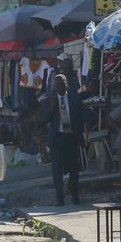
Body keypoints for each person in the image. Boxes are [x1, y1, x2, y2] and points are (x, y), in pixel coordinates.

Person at [42, 74, 84, 205]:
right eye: (56, 84)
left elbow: (79, 118)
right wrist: (51, 107)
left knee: (74, 169)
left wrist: (81, 137)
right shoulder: (49, 100)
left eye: (61, 83)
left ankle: (75, 196)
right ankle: (60, 199)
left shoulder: (74, 99)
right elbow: (43, 120)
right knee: (57, 170)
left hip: (71, 137)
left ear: (66, 84)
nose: (58, 86)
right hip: (57, 138)